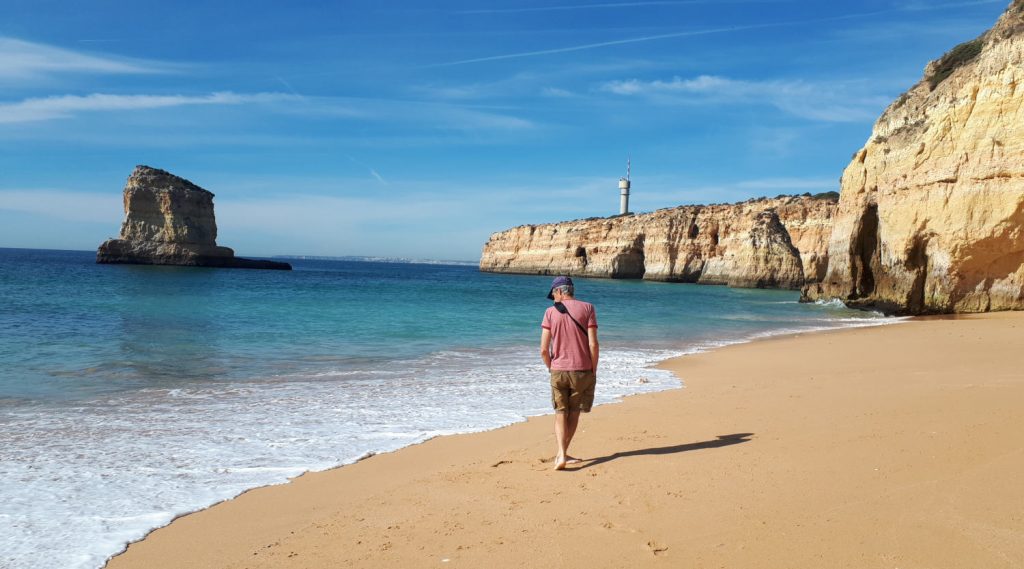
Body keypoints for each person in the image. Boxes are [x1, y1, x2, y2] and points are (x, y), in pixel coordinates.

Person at [540, 276, 599, 471]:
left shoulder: (549, 313)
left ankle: (561, 454)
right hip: (582, 369)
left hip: (558, 369)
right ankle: (562, 454)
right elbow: (593, 343)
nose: (553, 299)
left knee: (560, 413)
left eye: (553, 295)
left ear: (559, 292)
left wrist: (551, 366)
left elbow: (543, 349)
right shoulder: (588, 308)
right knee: (574, 413)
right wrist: (593, 368)